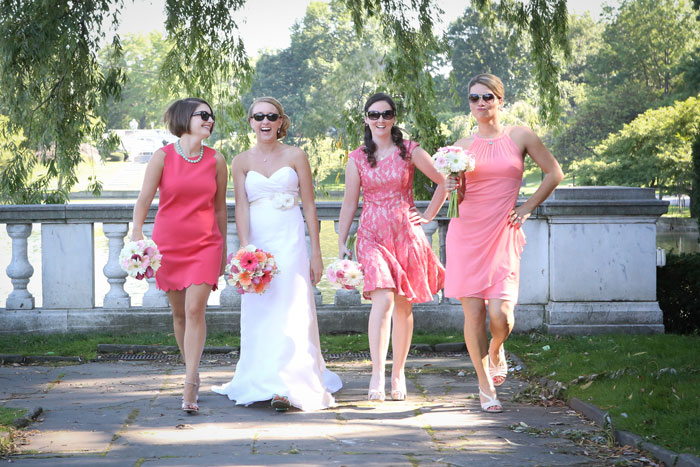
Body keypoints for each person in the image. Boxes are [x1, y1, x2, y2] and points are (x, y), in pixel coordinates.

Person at [212, 97, 342, 411]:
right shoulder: (241, 161)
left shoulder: (296, 155)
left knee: (293, 305)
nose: (265, 122)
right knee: (261, 307)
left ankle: (294, 380)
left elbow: (310, 205)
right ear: (251, 122)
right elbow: (240, 206)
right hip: (259, 240)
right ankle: (262, 377)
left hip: (291, 238)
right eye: (259, 117)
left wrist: (315, 253)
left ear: (281, 121)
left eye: (272, 116)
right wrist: (246, 249)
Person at [445, 74, 564, 412]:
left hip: (503, 232)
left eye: (487, 97)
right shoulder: (462, 145)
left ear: (500, 100)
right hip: (466, 233)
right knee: (472, 313)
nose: (480, 104)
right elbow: (462, 194)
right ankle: (485, 387)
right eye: (473, 98)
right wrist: (454, 186)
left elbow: (554, 173)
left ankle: (497, 348)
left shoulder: (520, 135)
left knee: (502, 315)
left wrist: (526, 208)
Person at [337, 92, 447, 402]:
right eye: (374, 114)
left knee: (403, 305)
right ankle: (376, 375)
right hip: (371, 234)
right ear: (366, 119)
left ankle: (398, 372)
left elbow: (444, 180)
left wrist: (427, 215)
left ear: (394, 118)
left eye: (386, 114)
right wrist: (343, 243)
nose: (380, 120)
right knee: (382, 299)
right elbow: (349, 204)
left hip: (405, 233)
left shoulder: (409, 150)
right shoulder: (357, 157)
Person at [132, 98, 228, 414]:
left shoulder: (217, 161)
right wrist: (137, 236)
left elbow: (219, 209)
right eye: (204, 115)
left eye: (211, 116)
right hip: (168, 245)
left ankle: (189, 382)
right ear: (185, 118)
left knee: (195, 307)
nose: (210, 120)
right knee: (179, 315)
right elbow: (144, 199)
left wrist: (224, 246)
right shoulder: (162, 157)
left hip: (206, 244)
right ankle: (193, 368)